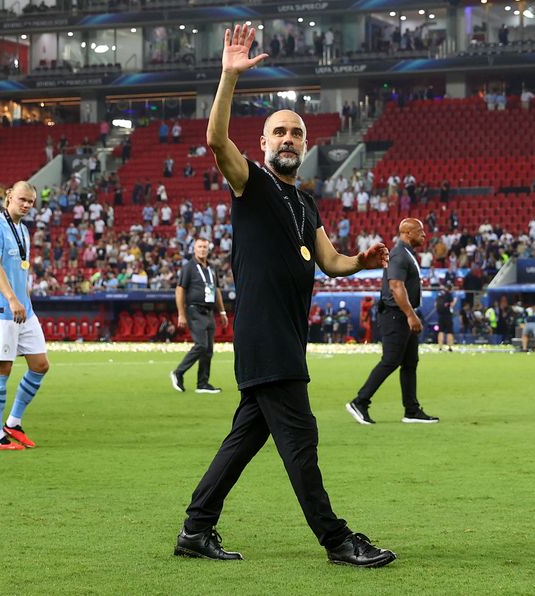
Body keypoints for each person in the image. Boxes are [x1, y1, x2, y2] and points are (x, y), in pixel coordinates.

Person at [173, 24, 396, 569]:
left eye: (296, 133)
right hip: (266, 337)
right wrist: (228, 75)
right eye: (279, 133)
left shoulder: (307, 204)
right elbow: (214, 140)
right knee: (301, 440)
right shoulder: (250, 182)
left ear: (306, 143)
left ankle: (195, 530)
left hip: (282, 341)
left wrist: (360, 263)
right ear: (265, 143)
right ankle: (337, 540)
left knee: (245, 438)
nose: (289, 140)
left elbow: (331, 261)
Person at [346, 218, 440, 426]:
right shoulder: (398, 254)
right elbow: (396, 286)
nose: (424, 235)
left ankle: (411, 410)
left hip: (401, 313)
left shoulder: (405, 254)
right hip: (395, 314)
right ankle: (359, 402)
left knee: (409, 363)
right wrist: (410, 314)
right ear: (407, 232)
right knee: (391, 360)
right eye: (420, 231)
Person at [0, 181, 50, 451]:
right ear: (9, 196)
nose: (27, 205)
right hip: (0, 310)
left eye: (31, 202)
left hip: (23, 309)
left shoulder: (23, 229)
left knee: (40, 364)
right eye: (22, 199)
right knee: (2, 368)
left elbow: (21, 270)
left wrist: (24, 302)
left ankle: (13, 422)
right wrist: (11, 299)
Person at [170, 238, 228, 393]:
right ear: (194, 249)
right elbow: (180, 289)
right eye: (199, 247)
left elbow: (216, 290)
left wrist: (222, 311)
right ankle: (178, 372)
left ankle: (202, 383)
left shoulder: (211, 268)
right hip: (194, 310)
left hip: (209, 311)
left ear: (208, 250)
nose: (202, 249)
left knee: (208, 349)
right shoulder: (189, 267)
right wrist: (181, 313)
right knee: (201, 345)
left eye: (205, 247)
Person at [436, 282, 456, 351]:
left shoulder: (440, 294)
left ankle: (440, 347)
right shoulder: (449, 295)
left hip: (440, 316)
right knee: (449, 332)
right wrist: (455, 301)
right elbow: (451, 305)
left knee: (440, 331)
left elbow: (435, 304)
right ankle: (450, 347)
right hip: (448, 316)